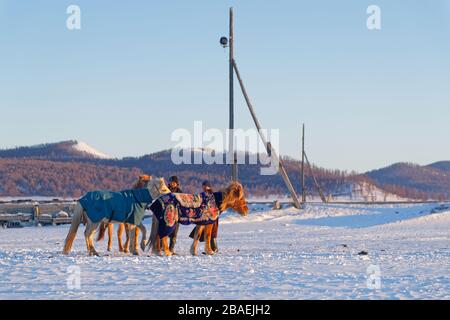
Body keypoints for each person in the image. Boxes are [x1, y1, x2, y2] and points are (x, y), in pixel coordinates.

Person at [189, 180, 219, 253]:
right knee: (201, 232)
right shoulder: (201, 195)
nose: (205, 188)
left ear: (209, 187)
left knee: (211, 233)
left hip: (212, 217)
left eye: (206, 186)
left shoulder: (213, 195)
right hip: (203, 216)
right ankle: (197, 248)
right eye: (204, 186)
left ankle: (212, 248)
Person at [167, 175, 182, 253]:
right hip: (166, 215)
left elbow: (182, 201)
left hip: (176, 215)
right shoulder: (166, 190)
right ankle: (163, 247)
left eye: (174, 182)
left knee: (174, 233)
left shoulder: (180, 191)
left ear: (176, 183)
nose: (172, 184)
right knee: (165, 231)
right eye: (171, 182)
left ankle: (171, 249)